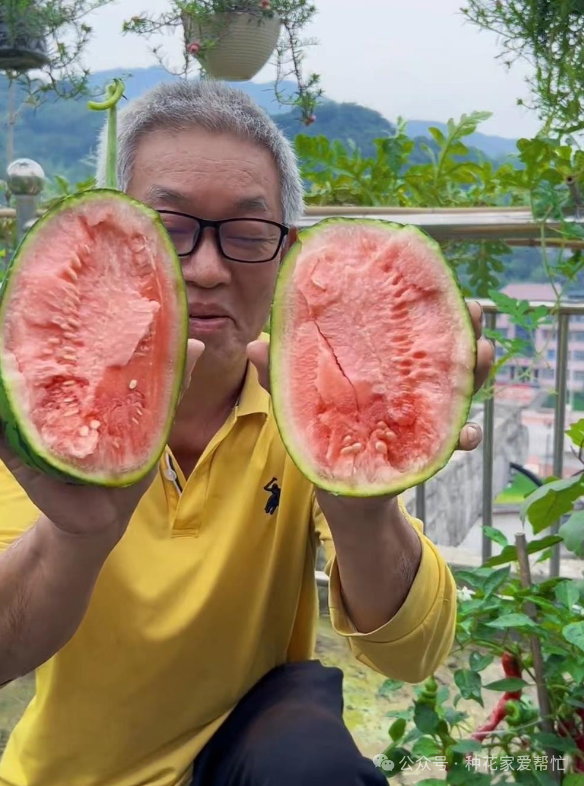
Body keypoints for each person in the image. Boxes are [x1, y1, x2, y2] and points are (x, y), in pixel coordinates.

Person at [0, 80, 493, 786]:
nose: (206, 268)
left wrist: (366, 512)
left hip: (253, 759)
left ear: (286, 252)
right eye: (169, 228)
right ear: (117, 245)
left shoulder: (315, 405)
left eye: (248, 232)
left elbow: (412, 656)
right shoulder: (46, 415)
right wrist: (77, 539)